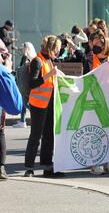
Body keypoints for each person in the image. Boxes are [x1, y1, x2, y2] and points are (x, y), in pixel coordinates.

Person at [24, 36, 65, 178]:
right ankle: (29, 168)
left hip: (49, 104)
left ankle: (48, 167)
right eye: (57, 49)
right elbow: (32, 83)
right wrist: (49, 75)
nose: (59, 52)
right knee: (35, 136)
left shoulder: (49, 60)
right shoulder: (37, 61)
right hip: (38, 105)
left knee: (49, 136)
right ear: (51, 49)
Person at [83, 31, 109, 175]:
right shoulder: (89, 59)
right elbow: (84, 77)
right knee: (95, 132)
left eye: (100, 42)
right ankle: (94, 162)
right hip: (93, 100)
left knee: (108, 131)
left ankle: (107, 161)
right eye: (95, 42)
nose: (98, 45)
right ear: (91, 43)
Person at [0, 40, 22, 179]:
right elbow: (16, 106)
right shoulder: (2, 72)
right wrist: (8, 71)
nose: (3, 59)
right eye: (2, 55)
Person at [13, 42, 37, 128]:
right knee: (24, 103)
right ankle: (23, 120)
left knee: (27, 104)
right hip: (25, 85)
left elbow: (24, 70)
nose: (22, 49)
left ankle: (38, 117)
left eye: (23, 48)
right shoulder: (28, 57)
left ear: (27, 49)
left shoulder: (28, 58)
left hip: (27, 85)